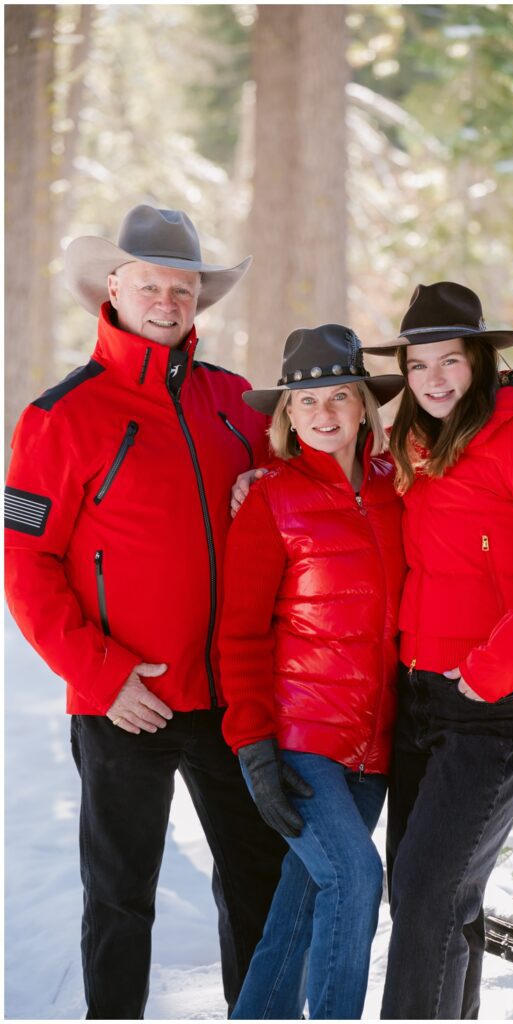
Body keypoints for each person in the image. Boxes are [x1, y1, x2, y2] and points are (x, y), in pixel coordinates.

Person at [4, 204, 287, 1020]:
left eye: (184, 286)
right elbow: (26, 561)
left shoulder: (239, 404)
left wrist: (265, 486)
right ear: (115, 288)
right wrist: (102, 676)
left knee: (256, 884)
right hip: (125, 703)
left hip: (232, 697)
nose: (168, 299)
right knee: (121, 899)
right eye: (153, 283)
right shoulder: (60, 417)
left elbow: (303, 495)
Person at [361, 282, 513, 1020]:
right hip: (421, 697)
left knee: (428, 888)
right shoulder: (416, 445)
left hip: (497, 699)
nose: (434, 378)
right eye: (417, 366)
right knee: (434, 892)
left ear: (481, 361)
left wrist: (488, 672)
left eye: (449, 361)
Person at [219, 324, 406, 1020]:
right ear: (285, 416)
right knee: (355, 878)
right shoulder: (269, 498)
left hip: (375, 745)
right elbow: (236, 634)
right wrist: (253, 744)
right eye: (304, 402)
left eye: (337, 397)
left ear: (364, 406)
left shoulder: (399, 485)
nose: (322, 414)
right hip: (299, 743)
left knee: (299, 907)